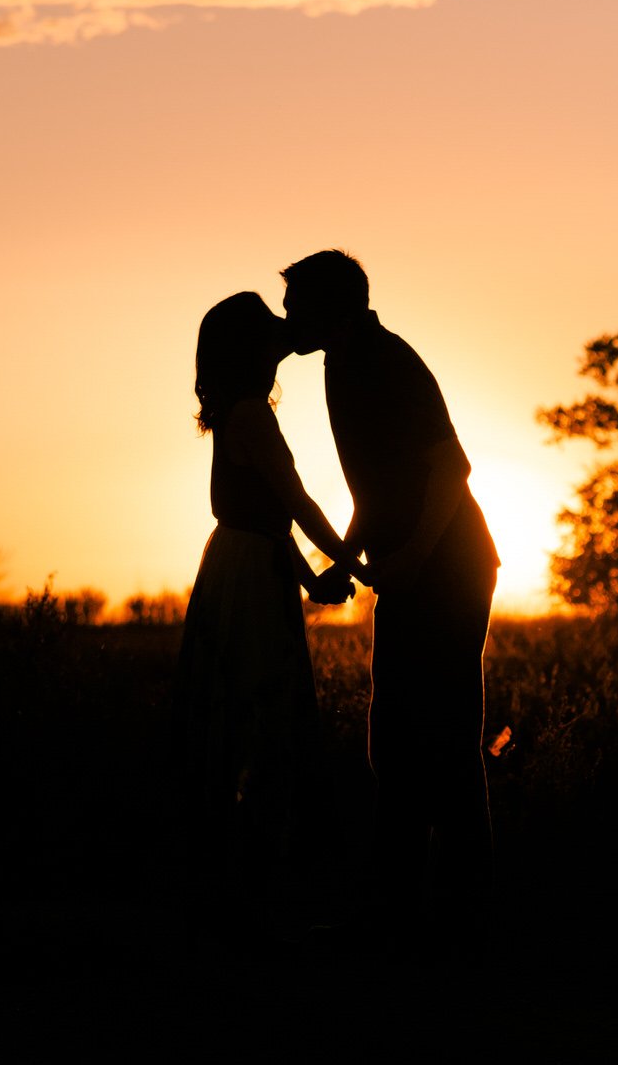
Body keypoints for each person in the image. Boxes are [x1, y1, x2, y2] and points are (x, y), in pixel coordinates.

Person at [280, 249, 499, 929]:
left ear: (331, 308)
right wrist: (346, 558)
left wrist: (410, 558)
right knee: (397, 732)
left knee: (445, 734)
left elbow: (450, 468)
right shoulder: (339, 363)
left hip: (451, 564)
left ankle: (460, 908)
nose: (287, 319)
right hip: (412, 565)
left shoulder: (387, 359)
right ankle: (402, 896)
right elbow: (374, 490)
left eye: (296, 307)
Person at [175, 290, 371, 904]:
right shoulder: (253, 417)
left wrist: (314, 579)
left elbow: (263, 515)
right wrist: (357, 565)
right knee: (263, 726)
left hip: (240, 562)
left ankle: (233, 886)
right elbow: (295, 503)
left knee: (237, 724)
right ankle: (249, 890)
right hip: (251, 576)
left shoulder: (239, 410)